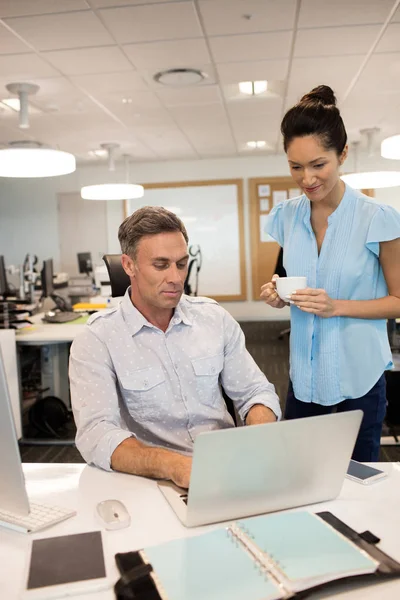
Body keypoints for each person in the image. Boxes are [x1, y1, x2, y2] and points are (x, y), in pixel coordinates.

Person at [70, 206, 281, 488]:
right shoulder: (98, 338)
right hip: (151, 481)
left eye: (181, 264)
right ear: (129, 265)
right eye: (161, 265)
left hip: (226, 470)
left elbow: (256, 392)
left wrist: (255, 437)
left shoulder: (213, 318)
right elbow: (96, 434)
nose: (175, 277)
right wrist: (174, 466)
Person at [261, 85, 400, 462]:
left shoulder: (378, 217)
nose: (307, 178)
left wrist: (335, 306)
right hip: (304, 378)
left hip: (359, 376)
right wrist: (277, 293)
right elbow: (294, 282)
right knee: (299, 475)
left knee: (360, 483)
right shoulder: (286, 216)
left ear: (343, 155)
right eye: (295, 166)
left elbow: (398, 302)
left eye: (318, 164)